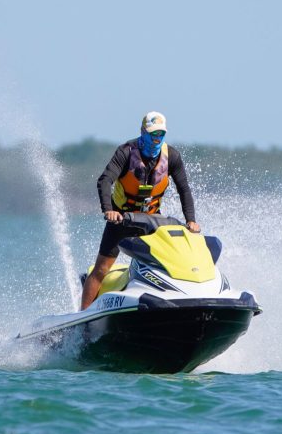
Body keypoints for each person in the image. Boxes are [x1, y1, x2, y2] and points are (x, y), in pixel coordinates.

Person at [80, 111, 201, 309]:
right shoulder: (126, 152)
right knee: (101, 269)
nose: (156, 139)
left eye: (160, 134)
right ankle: (82, 316)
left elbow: (184, 189)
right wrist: (109, 210)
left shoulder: (172, 157)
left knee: (169, 262)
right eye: (153, 134)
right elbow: (105, 180)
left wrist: (191, 220)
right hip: (121, 219)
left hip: (151, 221)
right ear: (143, 132)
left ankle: (177, 298)